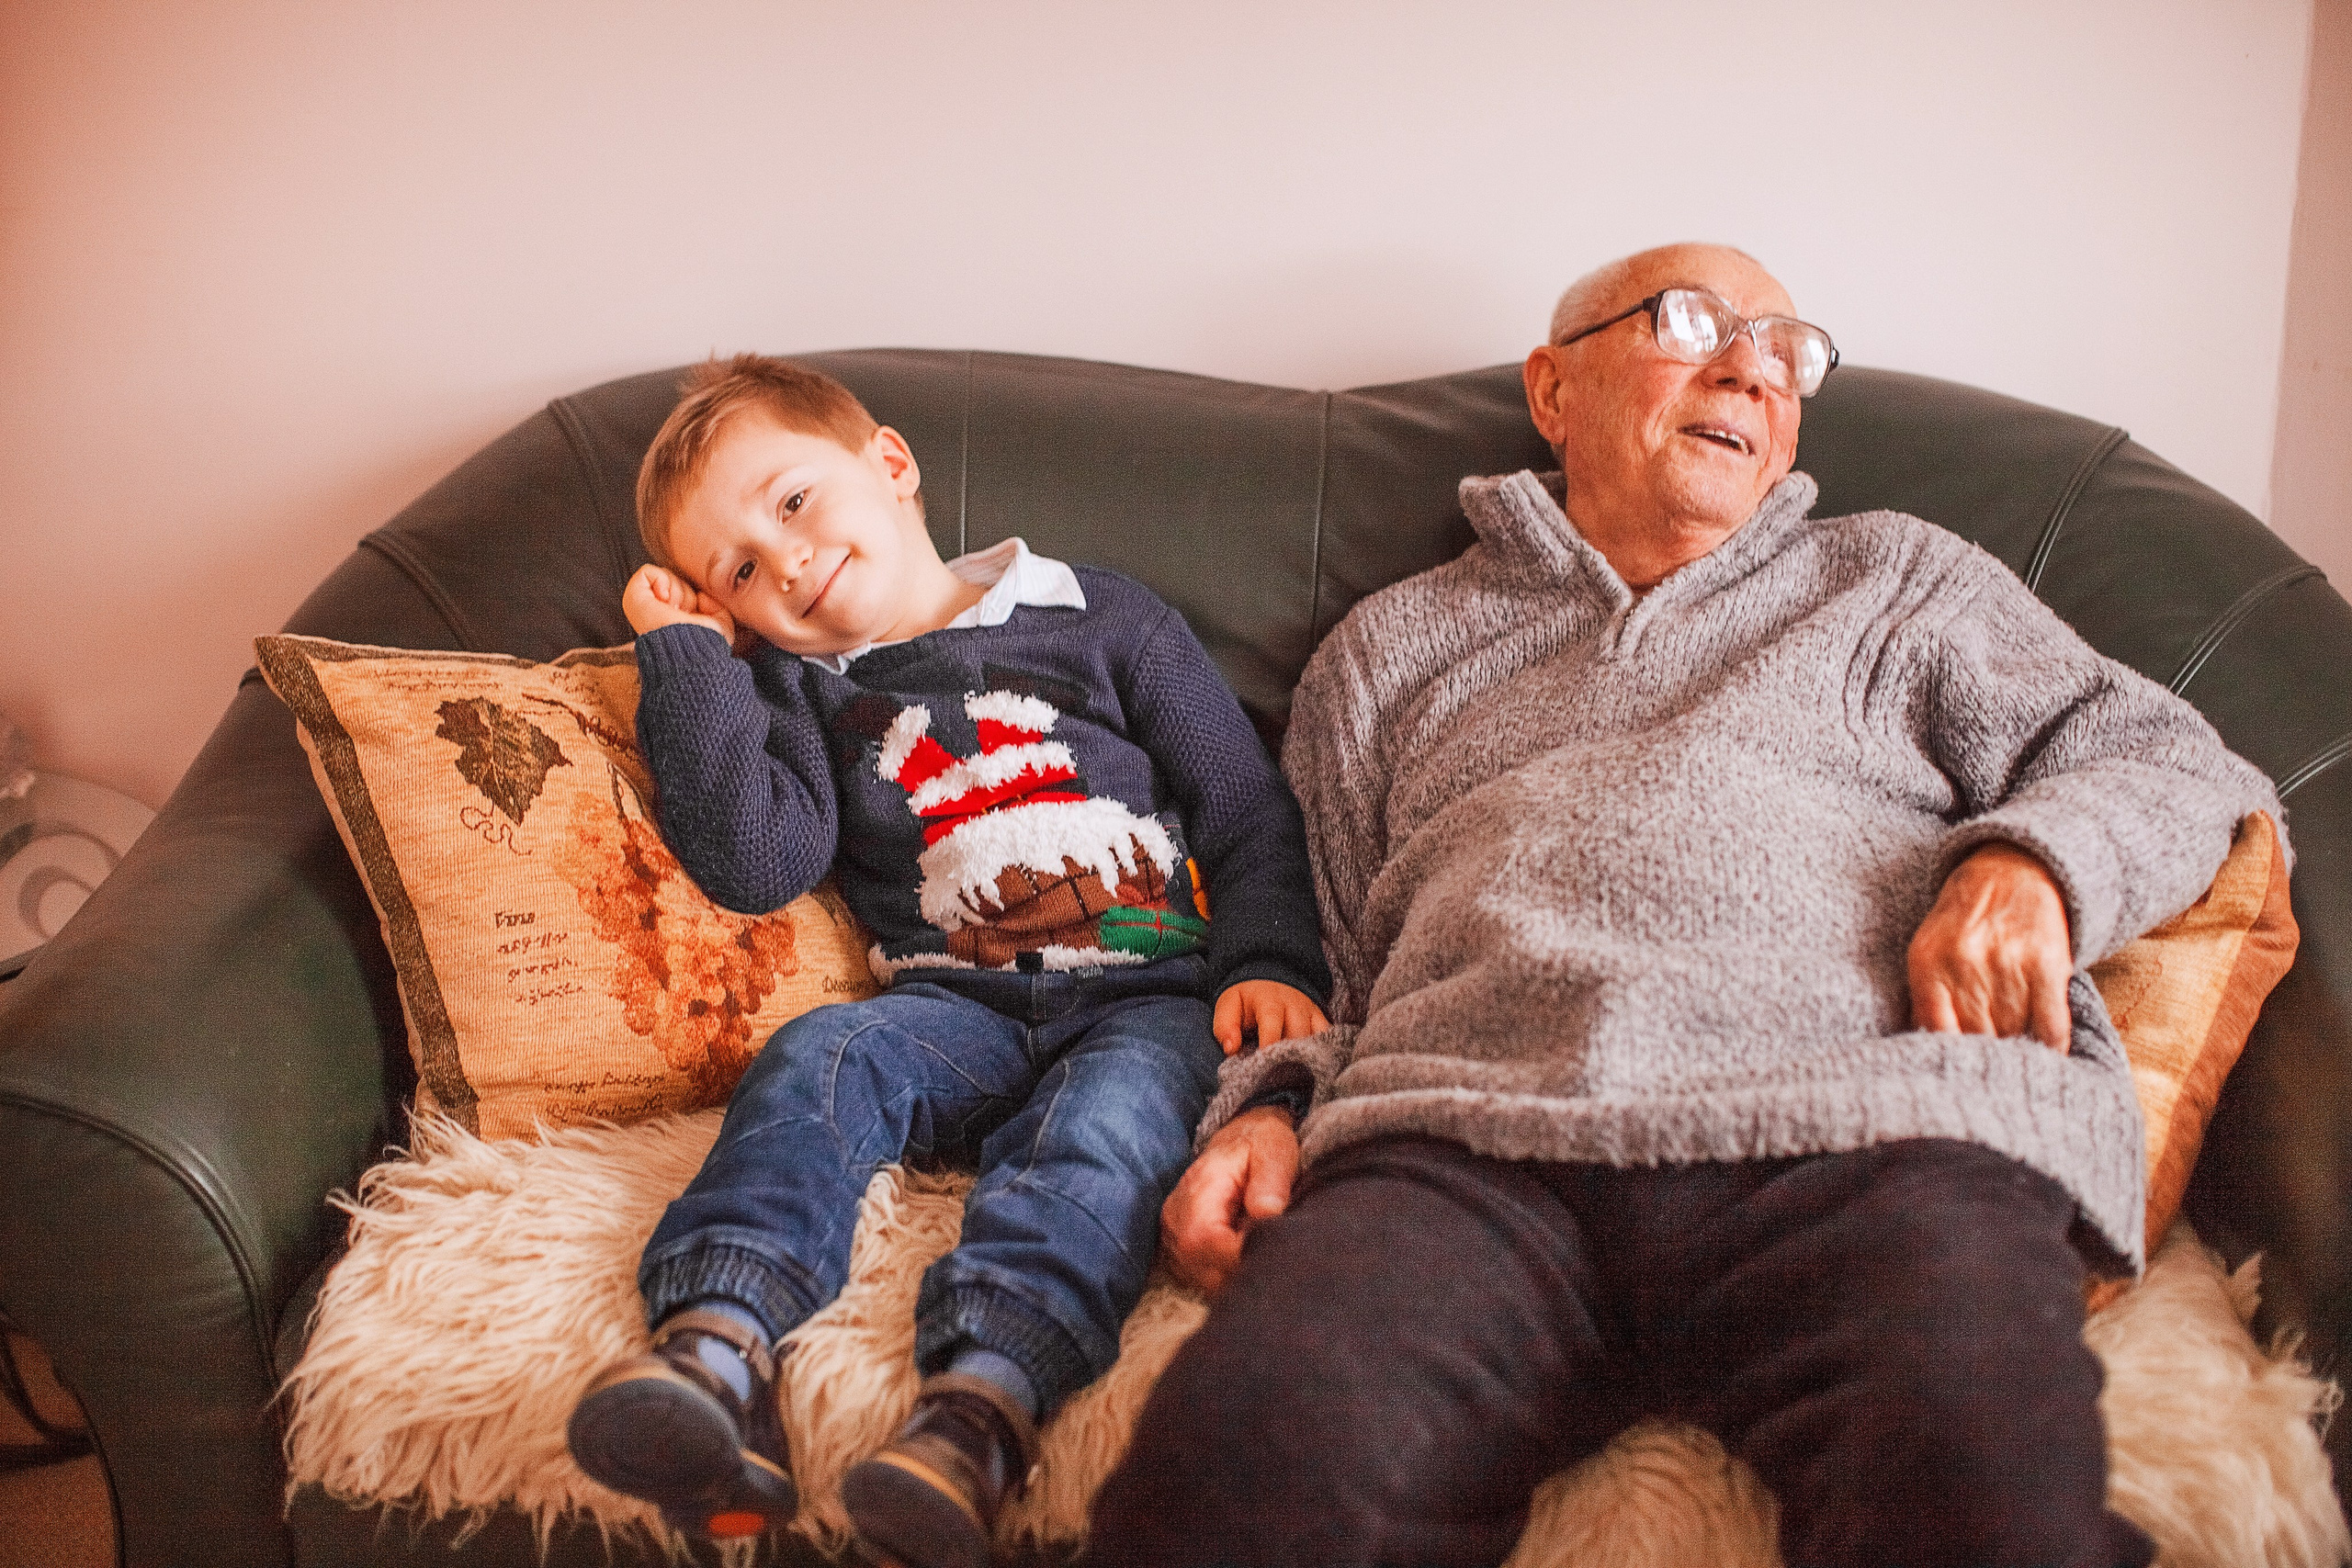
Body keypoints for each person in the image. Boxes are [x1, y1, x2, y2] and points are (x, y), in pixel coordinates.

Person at [1087, 245, 2285, 1568]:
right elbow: (1337, 960)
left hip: (1863, 1137)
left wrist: (2032, 863)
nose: (1750, 371)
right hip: (1464, 1156)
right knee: (1228, 1488)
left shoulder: (1895, 581)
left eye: (1785, 352)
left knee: (1979, 1503)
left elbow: (2172, 759)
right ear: (1554, 390)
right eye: (1697, 323)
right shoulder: (1387, 651)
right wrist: (1277, 1106)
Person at [563, 355, 1330, 1568]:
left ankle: (976, 1411)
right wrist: (689, 662)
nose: (787, 560)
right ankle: (717, 1344)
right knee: (819, 1054)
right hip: (945, 1006)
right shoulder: (800, 690)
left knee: (1109, 1133)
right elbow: (755, 862)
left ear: (892, 463)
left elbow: (1240, 803)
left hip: (1146, 1001)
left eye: (795, 503)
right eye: (741, 571)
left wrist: (1271, 960)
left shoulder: (1103, 615)